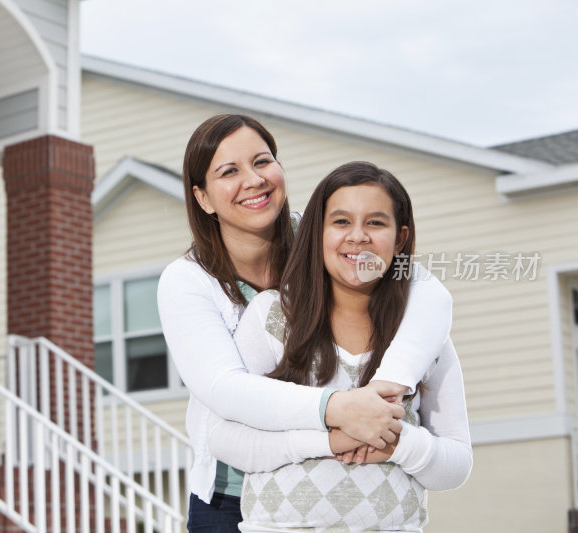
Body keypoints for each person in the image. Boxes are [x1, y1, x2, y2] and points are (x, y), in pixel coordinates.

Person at [157, 115, 453, 532]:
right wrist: (337, 412)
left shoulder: (325, 237)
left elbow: (426, 290)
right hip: (233, 494)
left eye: (263, 161)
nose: (254, 180)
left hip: (349, 483)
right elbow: (225, 389)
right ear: (202, 198)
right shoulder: (186, 281)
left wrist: (384, 391)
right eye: (229, 171)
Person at [207, 161, 472, 532]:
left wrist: (397, 443)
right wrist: (331, 440)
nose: (358, 237)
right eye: (341, 222)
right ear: (317, 233)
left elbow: (457, 464)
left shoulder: (423, 336)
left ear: (400, 239)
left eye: (376, 223)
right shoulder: (271, 316)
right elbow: (223, 439)